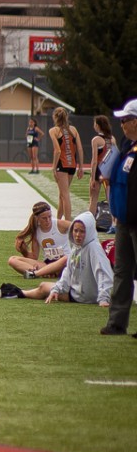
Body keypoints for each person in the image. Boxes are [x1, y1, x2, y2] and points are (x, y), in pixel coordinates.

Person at [9, 213, 113, 306]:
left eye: (82, 231)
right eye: (75, 231)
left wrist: (103, 299)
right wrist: (57, 289)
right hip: (78, 292)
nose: (77, 235)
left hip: (83, 296)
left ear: (89, 231)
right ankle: (19, 292)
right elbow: (68, 271)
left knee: (43, 286)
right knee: (43, 285)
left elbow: (103, 272)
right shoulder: (77, 247)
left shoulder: (93, 248)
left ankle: (18, 292)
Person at [98, 99, 137, 338]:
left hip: (135, 220)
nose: (122, 124)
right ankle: (116, 323)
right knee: (122, 271)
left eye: (126, 120)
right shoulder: (127, 147)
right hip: (123, 220)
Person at [9, 200, 68, 278]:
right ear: (37, 218)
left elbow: (79, 226)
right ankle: (42, 272)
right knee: (12, 260)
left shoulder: (60, 224)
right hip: (47, 264)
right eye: (44, 218)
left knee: (66, 259)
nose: (48, 220)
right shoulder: (36, 231)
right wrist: (24, 250)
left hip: (64, 262)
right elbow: (34, 257)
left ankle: (40, 273)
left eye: (49, 216)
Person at [48, 107, 84, 223]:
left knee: (65, 195)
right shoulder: (73, 130)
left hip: (62, 165)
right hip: (72, 165)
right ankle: (58, 221)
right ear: (66, 117)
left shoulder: (54, 130)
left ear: (55, 117)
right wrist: (81, 167)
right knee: (62, 195)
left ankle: (68, 223)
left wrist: (53, 167)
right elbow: (79, 149)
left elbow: (57, 150)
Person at [89, 114, 115, 219]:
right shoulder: (112, 139)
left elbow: (94, 161)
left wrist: (92, 178)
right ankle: (114, 223)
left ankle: (90, 222)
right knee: (110, 199)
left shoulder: (96, 139)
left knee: (93, 199)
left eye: (95, 123)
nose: (94, 125)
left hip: (98, 172)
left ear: (98, 125)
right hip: (109, 171)